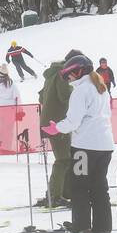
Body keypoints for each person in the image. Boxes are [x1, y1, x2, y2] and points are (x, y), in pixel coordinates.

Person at [43, 55, 114, 233]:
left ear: (78, 71)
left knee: (80, 187)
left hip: (85, 148)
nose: (69, 79)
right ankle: (102, 230)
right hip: (105, 147)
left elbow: (73, 121)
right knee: (100, 187)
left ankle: (82, 231)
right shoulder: (101, 88)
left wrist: (56, 127)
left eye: (69, 75)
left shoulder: (81, 91)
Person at [40, 50, 83, 206]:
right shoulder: (62, 74)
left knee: (65, 157)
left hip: (52, 120)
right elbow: (65, 95)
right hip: (57, 123)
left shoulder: (52, 73)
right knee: (63, 158)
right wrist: (79, 91)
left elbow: (41, 95)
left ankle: (61, 192)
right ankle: (55, 195)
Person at [0, 65, 24, 155]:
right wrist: (20, 110)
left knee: (2, 127)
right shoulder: (11, 84)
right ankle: (7, 147)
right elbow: (17, 97)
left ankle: (1, 146)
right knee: (9, 128)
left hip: (0, 109)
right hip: (10, 109)